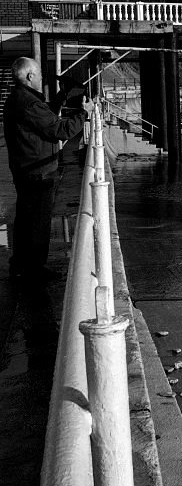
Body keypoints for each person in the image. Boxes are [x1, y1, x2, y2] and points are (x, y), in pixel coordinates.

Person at [4, 57, 91, 340]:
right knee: (37, 221)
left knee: (27, 218)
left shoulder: (20, 99)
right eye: (38, 73)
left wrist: (63, 97)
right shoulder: (28, 103)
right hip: (37, 171)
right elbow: (58, 130)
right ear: (28, 77)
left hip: (26, 168)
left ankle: (21, 265)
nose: (41, 77)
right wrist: (85, 114)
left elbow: (44, 121)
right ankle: (34, 273)